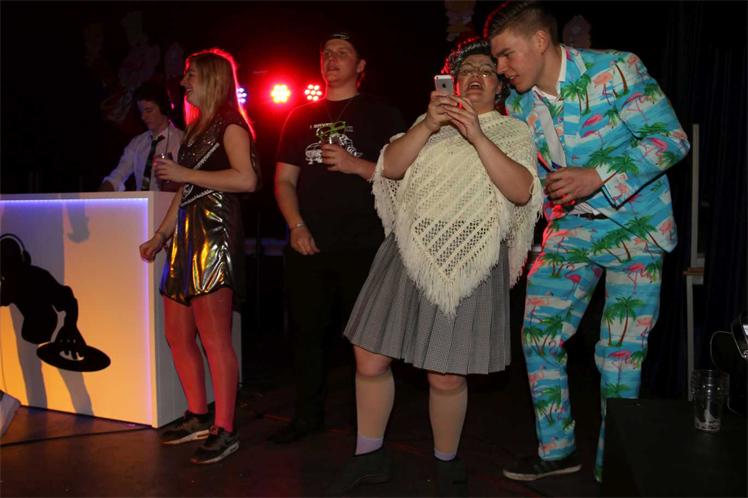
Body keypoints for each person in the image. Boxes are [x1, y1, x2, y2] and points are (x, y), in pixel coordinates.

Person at [484, 0, 690, 482]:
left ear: (540, 40)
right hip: (572, 228)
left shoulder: (617, 69)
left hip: (636, 227)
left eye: (507, 54)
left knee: (619, 356)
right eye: (496, 59)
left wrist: (598, 175)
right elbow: (533, 181)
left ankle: (612, 467)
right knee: (538, 334)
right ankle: (557, 450)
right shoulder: (518, 105)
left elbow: (671, 140)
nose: (501, 67)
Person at [327, 38, 542, 496]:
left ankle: (446, 463)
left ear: (500, 87)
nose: (476, 76)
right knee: (368, 355)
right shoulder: (427, 126)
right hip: (408, 249)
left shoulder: (512, 131)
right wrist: (427, 124)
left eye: (487, 71)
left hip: (471, 253)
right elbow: (390, 169)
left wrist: (477, 135)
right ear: (452, 83)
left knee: (445, 373)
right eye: (466, 71)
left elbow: (522, 191)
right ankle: (368, 455)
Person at [271, 31, 406, 444]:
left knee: (365, 340)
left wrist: (355, 164)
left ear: (360, 66)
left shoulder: (383, 114)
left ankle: (366, 424)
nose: (331, 59)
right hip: (309, 244)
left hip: (365, 245)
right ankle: (307, 417)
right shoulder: (298, 116)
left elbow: (404, 176)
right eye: (326, 53)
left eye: (342, 53)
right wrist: (296, 226)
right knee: (307, 335)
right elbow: (283, 180)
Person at [139, 48, 259, 464]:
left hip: (213, 234)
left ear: (211, 78)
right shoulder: (194, 130)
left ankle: (225, 428)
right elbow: (185, 191)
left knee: (214, 339)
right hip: (186, 237)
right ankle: (196, 414)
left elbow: (246, 180)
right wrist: (160, 236)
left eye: (190, 75)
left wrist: (184, 174)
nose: (183, 82)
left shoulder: (231, 125)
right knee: (177, 334)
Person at [99, 82, 183, 192]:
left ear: (164, 108)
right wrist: (102, 192)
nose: (143, 117)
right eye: (141, 112)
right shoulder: (137, 143)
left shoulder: (182, 140)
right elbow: (118, 175)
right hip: (144, 202)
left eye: (148, 110)